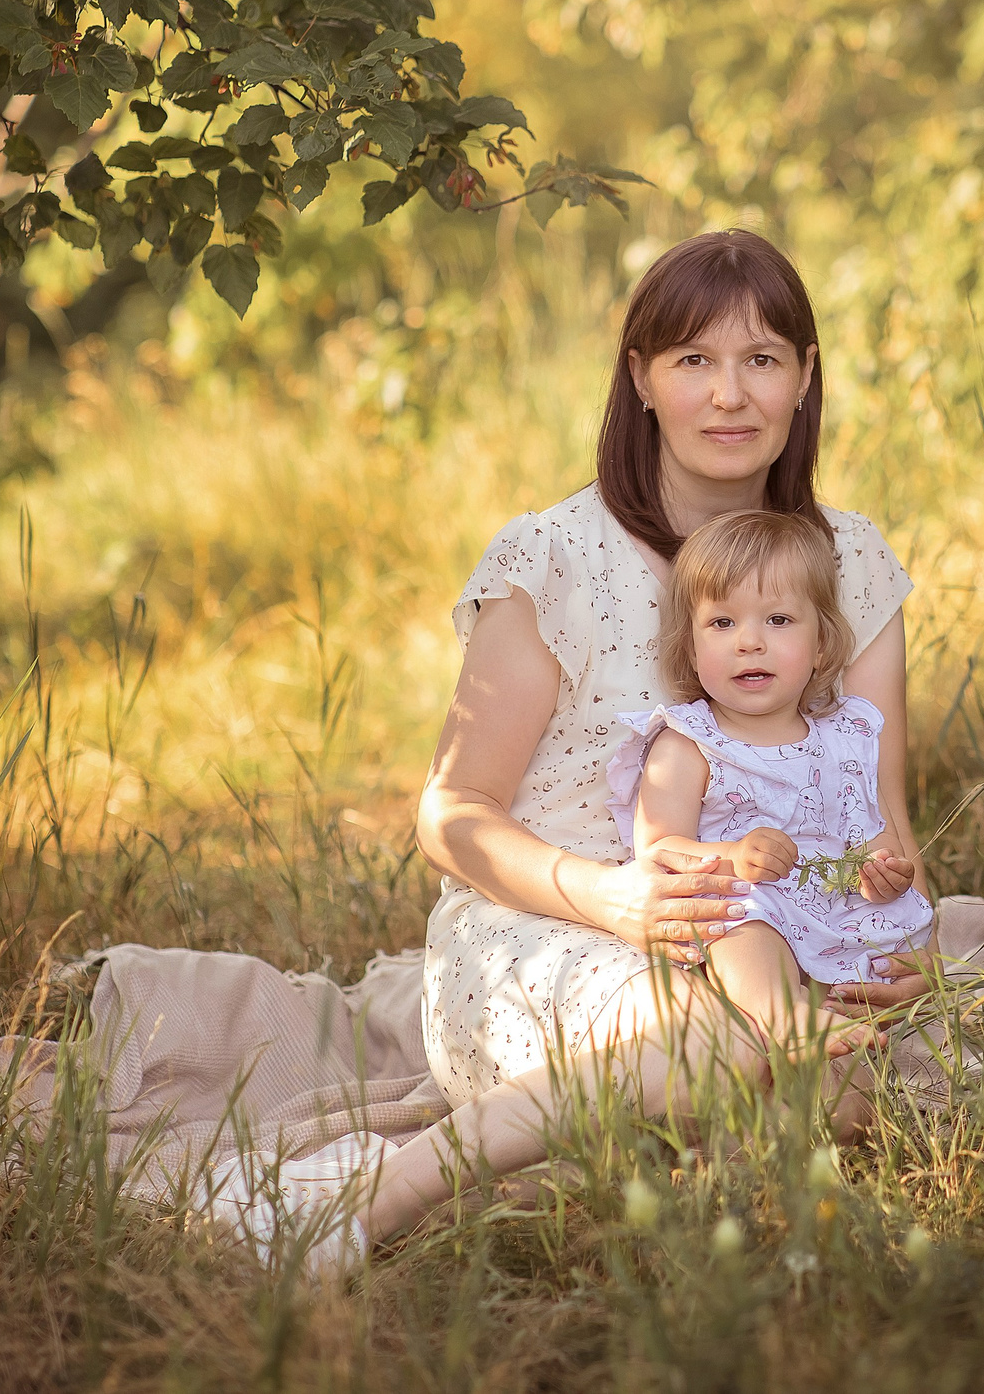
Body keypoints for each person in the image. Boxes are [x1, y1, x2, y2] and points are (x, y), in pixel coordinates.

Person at [345, 228, 948, 1252]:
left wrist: (903, 945)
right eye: (693, 362)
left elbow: (878, 821)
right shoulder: (555, 556)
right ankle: (396, 1195)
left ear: (804, 379)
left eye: (761, 360)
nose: (729, 394)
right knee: (733, 1052)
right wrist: (611, 897)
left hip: (782, 928)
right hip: (554, 925)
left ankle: (665, 1170)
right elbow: (449, 817)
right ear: (641, 379)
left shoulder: (849, 561)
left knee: (861, 1075)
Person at [612, 509, 937, 1053]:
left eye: (779, 620)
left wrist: (887, 873)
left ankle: (846, 1021)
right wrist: (733, 856)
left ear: (822, 646)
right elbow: (658, 848)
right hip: (755, 907)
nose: (750, 642)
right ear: (691, 650)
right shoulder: (688, 744)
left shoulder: (846, 737)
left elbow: (874, 830)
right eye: (722, 623)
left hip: (833, 903)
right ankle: (782, 1018)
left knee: (891, 937)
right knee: (744, 920)